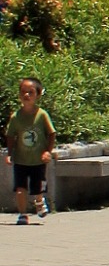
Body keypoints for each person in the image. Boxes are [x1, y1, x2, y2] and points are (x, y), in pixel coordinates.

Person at [5, 75, 55, 225]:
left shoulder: (42, 115)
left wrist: (48, 151)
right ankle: (22, 214)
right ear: (19, 95)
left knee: (37, 188)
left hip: (38, 160)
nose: (26, 95)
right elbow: (10, 136)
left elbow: (51, 133)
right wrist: (9, 154)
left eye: (31, 92)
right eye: (23, 92)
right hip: (21, 159)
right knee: (20, 188)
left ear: (38, 95)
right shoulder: (16, 117)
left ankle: (39, 202)